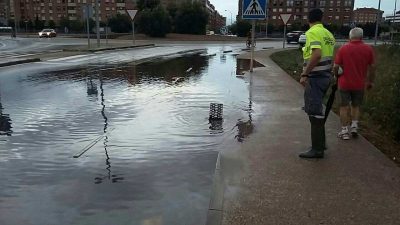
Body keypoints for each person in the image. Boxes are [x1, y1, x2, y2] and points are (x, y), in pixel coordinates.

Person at [299, 8, 335, 159]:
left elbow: (317, 54)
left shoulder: (312, 32)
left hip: (315, 77)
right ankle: (321, 143)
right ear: (322, 18)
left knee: (314, 112)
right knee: (318, 111)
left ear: (309, 20)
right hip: (326, 76)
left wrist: (305, 73)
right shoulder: (328, 34)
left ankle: (317, 149)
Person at [333, 27, 376, 140]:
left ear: (350, 37)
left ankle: (344, 131)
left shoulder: (343, 49)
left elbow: (336, 66)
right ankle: (354, 127)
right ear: (361, 37)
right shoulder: (368, 49)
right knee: (356, 106)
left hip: (344, 83)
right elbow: (372, 67)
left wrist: (335, 75)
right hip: (359, 84)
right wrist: (370, 81)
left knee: (343, 107)